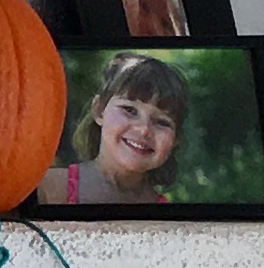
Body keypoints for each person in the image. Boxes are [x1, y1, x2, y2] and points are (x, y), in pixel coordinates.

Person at [43, 51, 190, 203]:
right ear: (99, 110)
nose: (144, 129)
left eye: (161, 122)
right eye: (130, 110)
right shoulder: (49, 188)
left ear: (175, 139)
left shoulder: (167, 210)